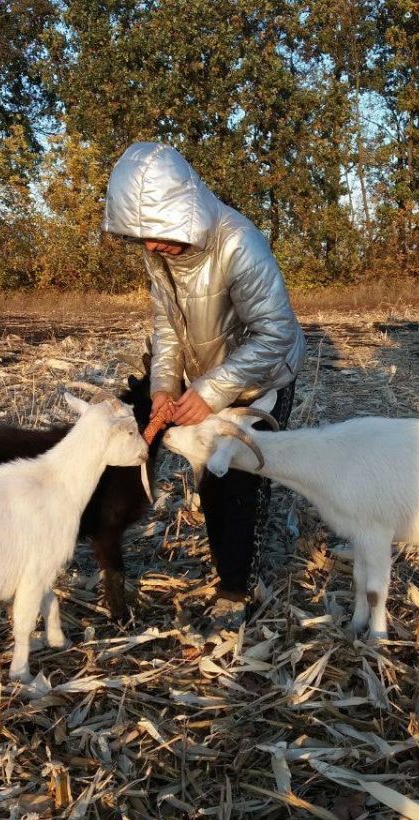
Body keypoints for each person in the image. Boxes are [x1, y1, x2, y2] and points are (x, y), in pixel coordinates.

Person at [103, 142, 306, 615]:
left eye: (157, 232)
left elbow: (275, 333)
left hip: (262, 376)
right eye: (143, 236)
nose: (151, 245)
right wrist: (162, 387)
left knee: (239, 478)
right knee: (210, 473)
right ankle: (231, 559)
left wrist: (212, 391)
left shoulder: (240, 243)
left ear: (184, 208)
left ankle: (238, 590)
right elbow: (168, 326)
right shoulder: (160, 253)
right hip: (209, 373)